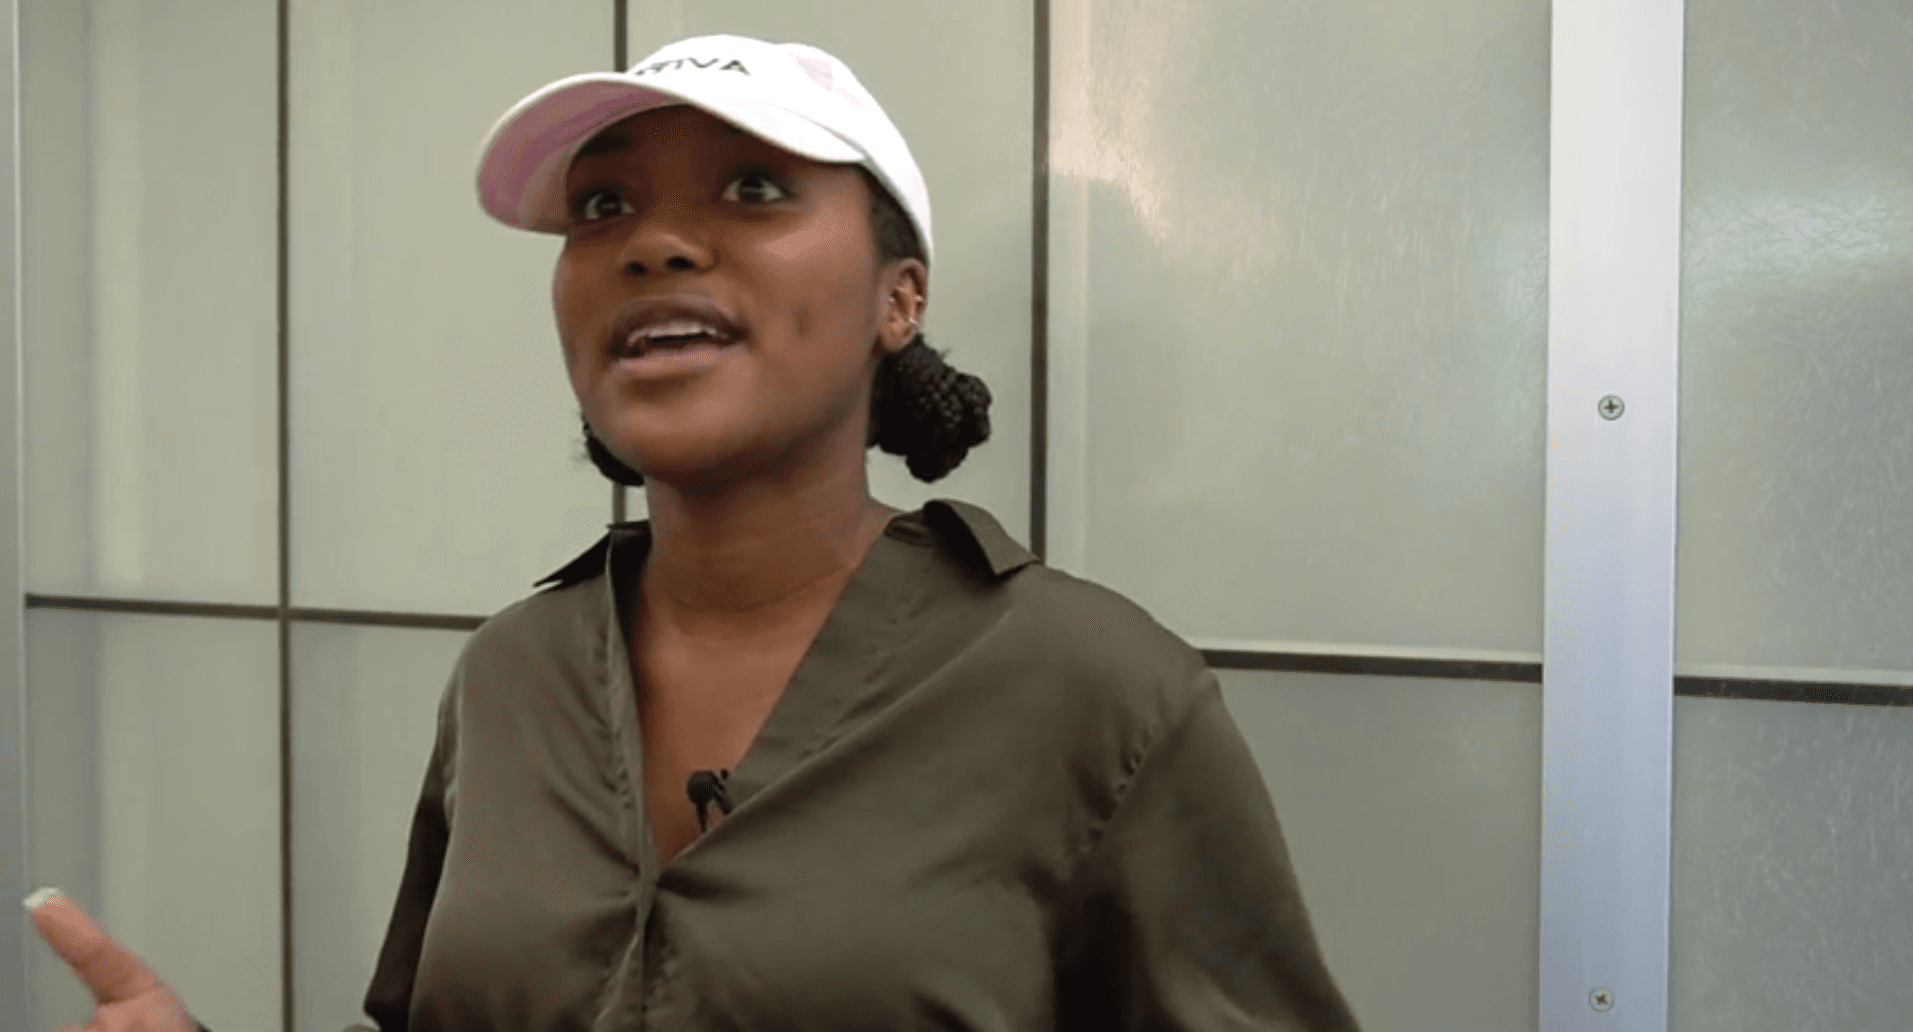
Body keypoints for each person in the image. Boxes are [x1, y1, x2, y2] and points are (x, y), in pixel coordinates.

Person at [26, 33, 1361, 1032]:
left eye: (754, 190)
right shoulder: (510, 676)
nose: (657, 242)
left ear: (900, 299)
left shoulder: (1100, 692)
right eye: (604, 207)